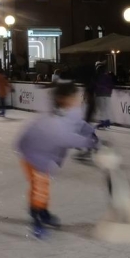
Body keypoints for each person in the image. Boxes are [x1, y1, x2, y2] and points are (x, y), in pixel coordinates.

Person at [15, 82, 98, 237]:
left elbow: (78, 124)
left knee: (42, 185)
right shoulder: (51, 118)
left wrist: (91, 131)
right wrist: (90, 143)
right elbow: (64, 138)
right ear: (63, 99)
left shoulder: (72, 111)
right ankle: (36, 218)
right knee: (39, 187)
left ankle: (42, 211)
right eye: (74, 97)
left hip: (45, 153)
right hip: (33, 153)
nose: (78, 100)